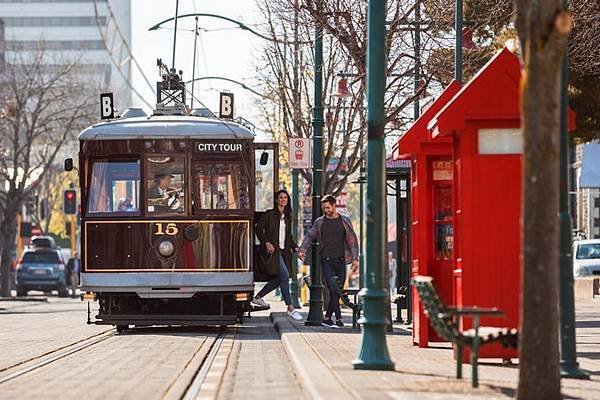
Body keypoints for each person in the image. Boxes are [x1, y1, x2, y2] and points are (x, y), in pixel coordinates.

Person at [298, 194, 359, 328]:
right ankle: (338, 318)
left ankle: (327, 318)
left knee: (338, 290)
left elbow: (352, 240)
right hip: (326, 260)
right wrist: (302, 249)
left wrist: (355, 258)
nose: (325, 210)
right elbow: (310, 235)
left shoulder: (344, 221)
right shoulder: (320, 222)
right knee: (332, 288)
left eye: (327, 208)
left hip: (341, 260)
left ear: (334, 205)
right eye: (324, 208)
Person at [252, 189, 303, 321]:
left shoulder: (287, 217)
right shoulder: (269, 214)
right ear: (276, 200)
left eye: (285, 198)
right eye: (280, 197)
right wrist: (266, 242)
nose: (283, 200)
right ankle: (290, 308)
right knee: (284, 276)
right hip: (272, 253)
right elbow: (258, 229)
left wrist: (296, 248)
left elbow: (288, 237)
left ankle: (257, 298)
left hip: (283, 252)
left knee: (281, 279)